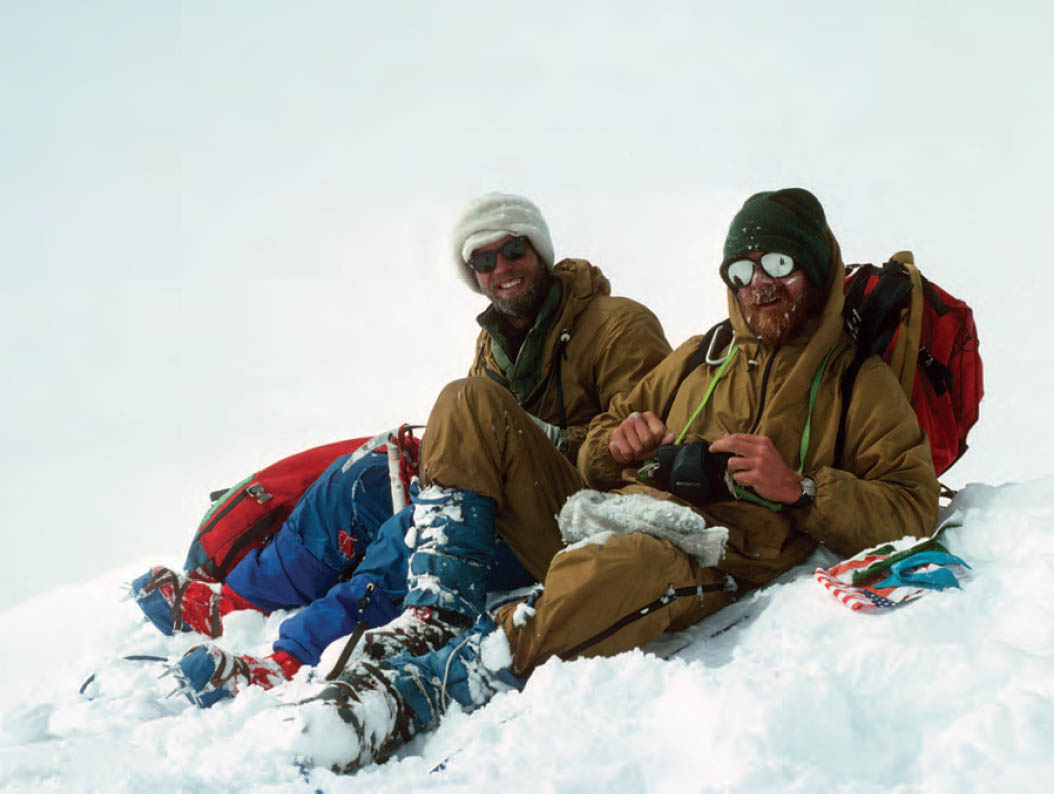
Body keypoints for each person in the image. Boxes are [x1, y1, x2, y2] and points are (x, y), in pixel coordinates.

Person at [282, 187, 940, 772]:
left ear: (815, 269)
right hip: (604, 511)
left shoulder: (857, 383)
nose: (757, 285)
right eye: (741, 271)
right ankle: (438, 612)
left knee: (617, 565)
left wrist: (801, 489)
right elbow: (601, 444)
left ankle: (428, 688)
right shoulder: (702, 354)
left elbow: (911, 506)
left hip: (705, 550)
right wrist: (615, 446)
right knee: (465, 399)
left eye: (777, 265)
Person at [149, 191, 671, 703]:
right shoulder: (495, 343)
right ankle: (239, 601)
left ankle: (292, 657)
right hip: (516, 496)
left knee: (414, 529)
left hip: (579, 515)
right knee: (358, 486)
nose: (502, 267)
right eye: (484, 260)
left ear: (539, 252)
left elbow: (636, 448)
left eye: (514, 250)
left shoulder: (617, 325)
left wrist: (540, 439)